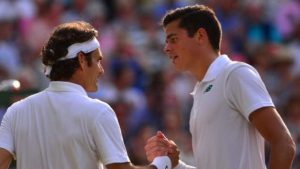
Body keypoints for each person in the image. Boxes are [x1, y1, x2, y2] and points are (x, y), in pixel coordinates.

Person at [0, 21, 178, 169]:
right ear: (81, 59)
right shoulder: (98, 111)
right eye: (98, 60)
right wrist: (164, 162)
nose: (101, 70)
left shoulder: (16, 112)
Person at [144, 4, 296, 169]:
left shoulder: (235, 74)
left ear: (200, 36)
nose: (166, 48)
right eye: (166, 42)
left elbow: (284, 144)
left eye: (173, 40)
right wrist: (176, 165)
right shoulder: (200, 91)